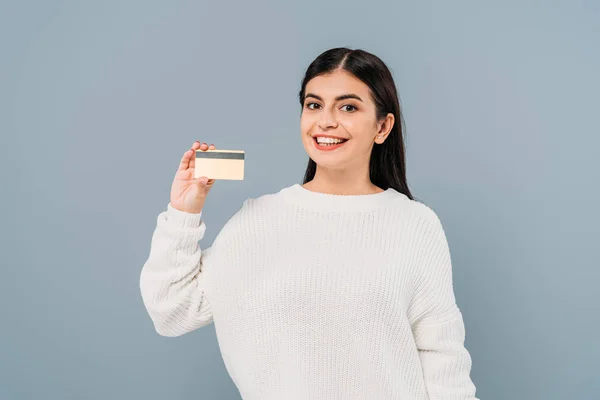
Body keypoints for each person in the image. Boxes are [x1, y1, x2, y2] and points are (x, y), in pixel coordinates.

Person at [139, 47, 479, 400]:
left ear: (382, 126)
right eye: (314, 105)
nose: (326, 121)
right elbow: (171, 311)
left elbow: (443, 360)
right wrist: (183, 212)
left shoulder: (415, 225)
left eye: (348, 107)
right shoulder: (257, 221)